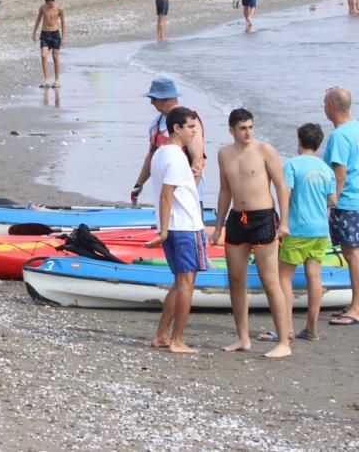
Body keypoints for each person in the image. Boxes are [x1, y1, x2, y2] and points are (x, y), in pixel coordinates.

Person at [211, 108, 291, 359]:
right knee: (236, 280)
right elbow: (225, 191)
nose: (248, 132)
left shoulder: (264, 150)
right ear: (231, 130)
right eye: (243, 128)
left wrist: (285, 222)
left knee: (270, 281)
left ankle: (283, 342)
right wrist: (218, 226)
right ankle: (242, 337)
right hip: (238, 219)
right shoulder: (224, 153)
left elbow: (281, 186)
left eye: (250, 127)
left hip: (263, 218)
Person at [143, 107, 207, 354]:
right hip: (184, 227)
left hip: (179, 225)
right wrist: (164, 231)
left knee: (180, 282)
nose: (194, 132)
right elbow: (166, 195)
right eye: (191, 127)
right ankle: (177, 340)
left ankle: (161, 335)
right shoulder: (174, 156)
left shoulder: (163, 153)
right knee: (186, 284)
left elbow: (180, 192)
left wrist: (196, 176)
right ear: (176, 128)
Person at [277, 123, 337, 342]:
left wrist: (283, 223)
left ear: (299, 141)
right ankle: (311, 327)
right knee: (314, 277)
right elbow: (332, 199)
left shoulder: (292, 165)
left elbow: (285, 193)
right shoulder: (326, 169)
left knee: (284, 277)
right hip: (320, 230)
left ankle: (288, 327)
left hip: (298, 229)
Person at [323, 87, 359, 327]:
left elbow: (339, 173)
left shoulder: (340, 136)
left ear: (331, 106)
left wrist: (331, 202)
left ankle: (357, 308)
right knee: (357, 251)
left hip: (349, 200)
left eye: (325, 103)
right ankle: (358, 303)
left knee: (352, 252)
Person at [131, 77, 205, 209]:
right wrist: (139, 184)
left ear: (166, 99)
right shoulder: (156, 123)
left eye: (154, 98)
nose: (151, 103)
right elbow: (151, 155)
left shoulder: (188, 121)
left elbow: (197, 160)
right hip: (165, 192)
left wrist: (189, 195)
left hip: (186, 195)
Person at [31, 0, 66, 89]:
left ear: (53, 1)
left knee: (55, 58)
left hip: (55, 34)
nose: (49, 5)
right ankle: (46, 79)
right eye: (47, 4)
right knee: (43, 56)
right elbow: (38, 19)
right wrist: (34, 33)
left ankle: (57, 80)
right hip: (45, 34)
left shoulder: (59, 9)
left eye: (50, 4)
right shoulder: (42, 7)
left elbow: (63, 23)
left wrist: (63, 37)